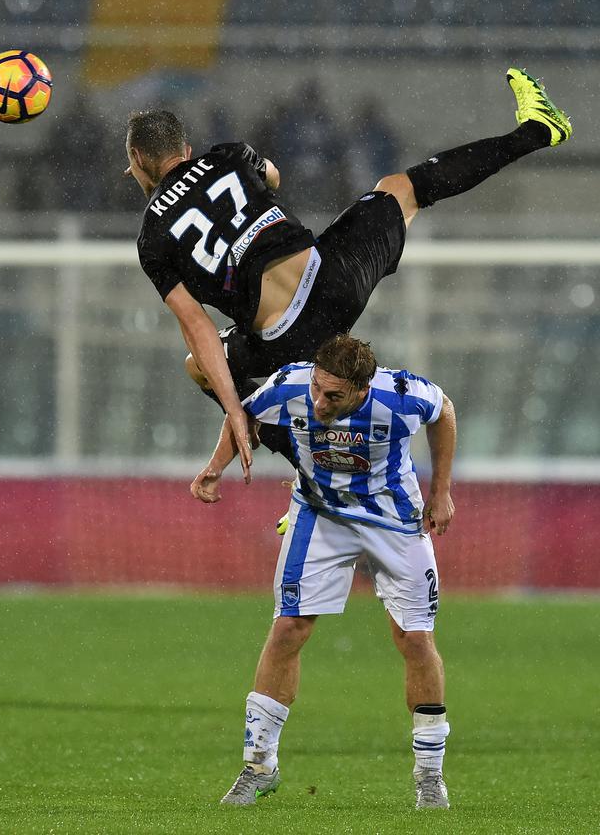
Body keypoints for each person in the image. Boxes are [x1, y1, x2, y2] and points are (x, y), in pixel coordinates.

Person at [126, 68, 571, 476]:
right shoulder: (227, 155)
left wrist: (237, 412)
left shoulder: (152, 238)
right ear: (185, 149)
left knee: (198, 367)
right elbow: (275, 178)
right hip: (334, 279)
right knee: (405, 187)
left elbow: (197, 328)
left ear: (136, 158)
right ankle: (535, 131)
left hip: (288, 340)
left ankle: (308, 468)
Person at [190, 333, 457, 809]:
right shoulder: (291, 385)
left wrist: (441, 491)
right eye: (317, 387)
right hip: (319, 516)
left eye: (332, 395)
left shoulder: (401, 396)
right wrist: (215, 465)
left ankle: (429, 778)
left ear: (361, 389)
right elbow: (245, 415)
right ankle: (258, 768)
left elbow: (445, 413)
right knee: (288, 630)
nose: (318, 401)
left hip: (395, 521)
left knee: (415, 638)